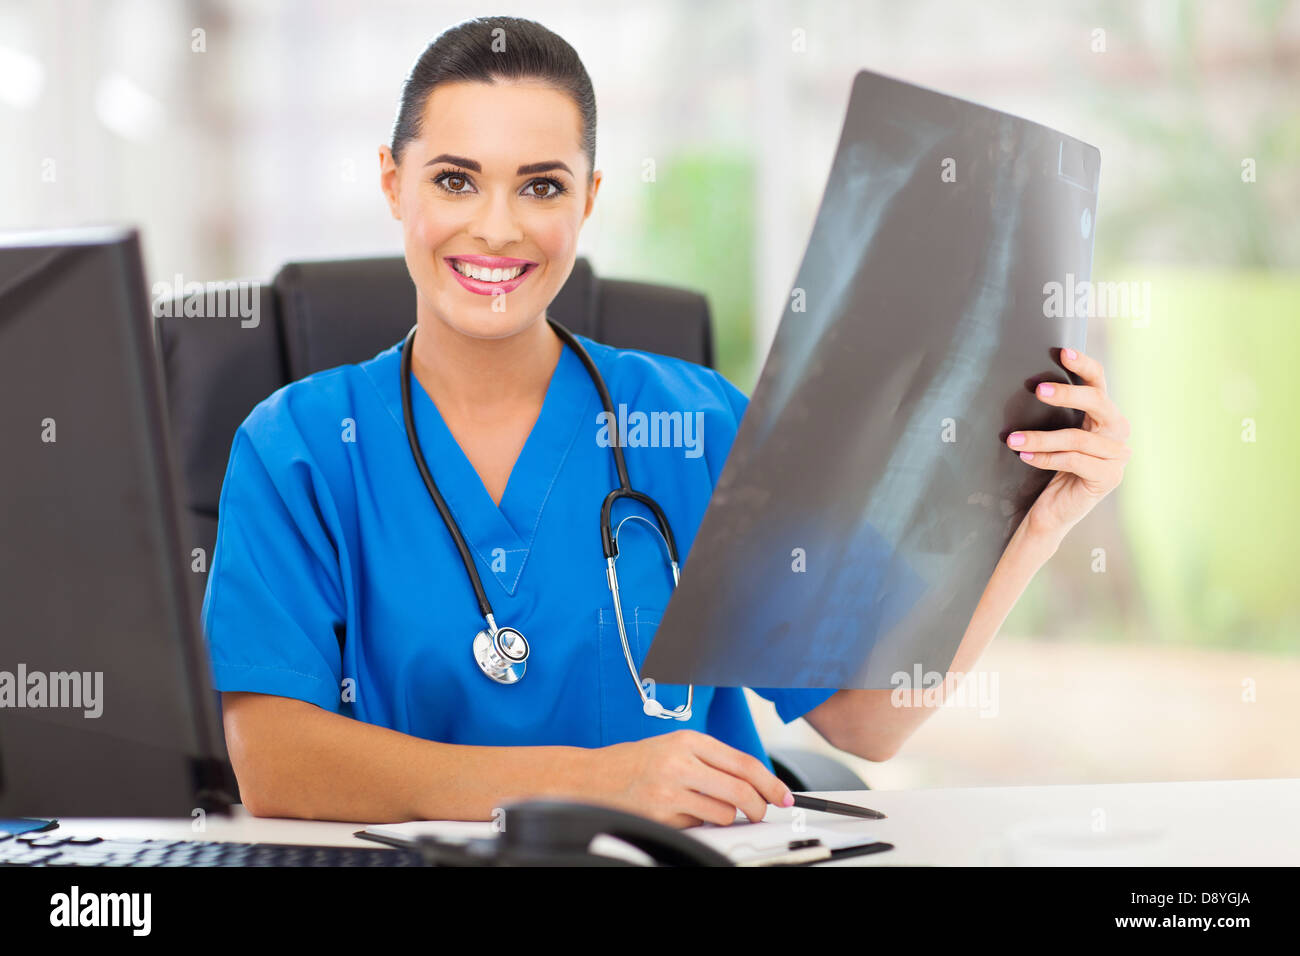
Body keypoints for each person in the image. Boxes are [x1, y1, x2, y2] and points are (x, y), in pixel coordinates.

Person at [202, 15, 1131, 828]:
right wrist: (594, 784)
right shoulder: (299, 449)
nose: (496, 228)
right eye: (454, 180)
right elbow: (277, 764)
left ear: (589, 199)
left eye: (541, 186)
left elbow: (865, 719)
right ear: (392, 183)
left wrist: (1039, 528)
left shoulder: (695, 423)